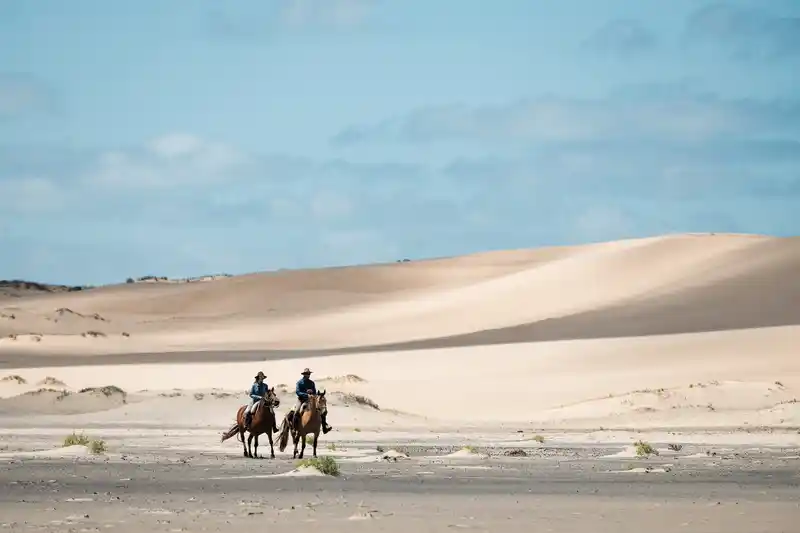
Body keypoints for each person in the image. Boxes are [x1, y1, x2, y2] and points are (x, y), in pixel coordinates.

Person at [293, 368, 332, 434]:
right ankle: (294, 428)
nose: (308, 375)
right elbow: (297, 392)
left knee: (322, 411)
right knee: (296, 411)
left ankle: (324, 427)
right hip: (301, 400)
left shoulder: (311, 383)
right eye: (307, 374)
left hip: (311, 400)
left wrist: (315, 394)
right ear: (304, 374)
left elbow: (314, 392)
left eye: (309, 374)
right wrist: (306, 394)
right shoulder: (299, 383)